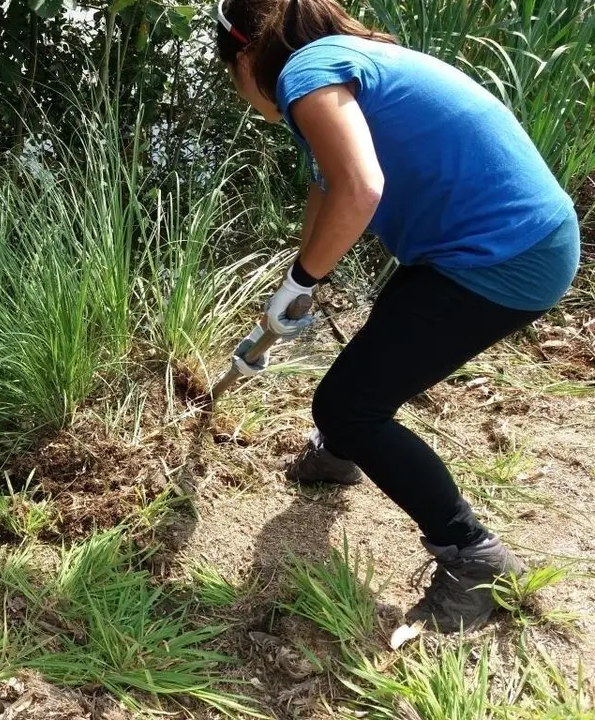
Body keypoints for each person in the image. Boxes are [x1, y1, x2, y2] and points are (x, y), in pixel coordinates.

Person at [216, 0, 580, 632]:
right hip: (503, 241)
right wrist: (299, 280)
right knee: (380, 348)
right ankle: (339, 455)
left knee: (348, 405)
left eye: (231, 73)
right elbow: (328, 185)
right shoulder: (348, 60)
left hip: (504, 257)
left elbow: (359, 188)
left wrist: (307, 278)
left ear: (246, 54)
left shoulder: (306, 71)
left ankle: (475, 557)